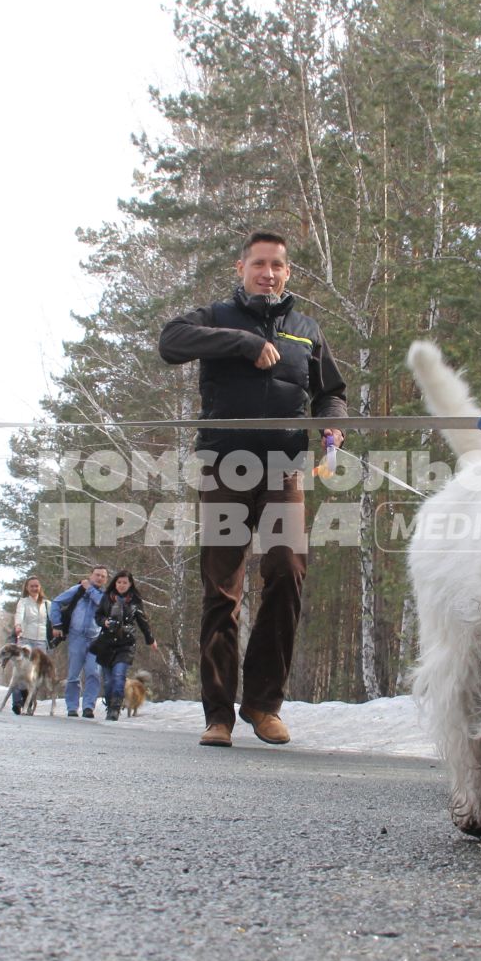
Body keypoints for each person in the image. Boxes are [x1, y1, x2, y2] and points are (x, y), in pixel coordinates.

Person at [158, 231, 346, 748]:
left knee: (287, 572)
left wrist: (332, 424)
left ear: (288, 273)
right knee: (222, 589)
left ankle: (264, 705)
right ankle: (218, 716)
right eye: (258, 264)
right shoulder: (215, 315)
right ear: (242, 268)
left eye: (277, 266)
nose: (268, 273)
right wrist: (242, 343)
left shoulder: (307, 330)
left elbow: (332, 394)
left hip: (284, 468)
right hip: (225, 466)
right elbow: (170, 342)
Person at [91, 569, 157, 721]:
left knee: (119, 676)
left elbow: (143, 621)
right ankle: (110, 704)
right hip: (106, 643)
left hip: (125, 643)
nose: (121, 585)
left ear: (130, 584)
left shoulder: (135, 601)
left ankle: (115, 709)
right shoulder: (107, 597)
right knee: (108, 681)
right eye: (119, 582)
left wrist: (150, 639)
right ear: (115, 583)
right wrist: (105, 622)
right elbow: (98, 616)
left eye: (124, 583)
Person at [48, 565, 108, 718]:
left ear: (106, 580)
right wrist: (56, 624)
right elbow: (56, 602)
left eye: (103, 576)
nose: (99, 578)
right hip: (77, 637)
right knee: (74, 675)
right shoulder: (77, 590)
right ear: (90, 575)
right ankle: (72, 707)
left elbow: (103, 604)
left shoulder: (106, 595)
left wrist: (90, 589)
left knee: (93, 673)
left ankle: (88, 707)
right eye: (97, 575)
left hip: (96, 639)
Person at [8, 575, 49, 715]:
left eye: (36, 585)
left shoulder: (47, 604)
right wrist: (18, 626)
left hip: (41, 641)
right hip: (25, 639)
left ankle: (30, 701)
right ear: (27, 587)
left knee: (35, 674)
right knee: (21, 671)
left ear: (40, 587)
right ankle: (17, 702)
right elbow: (19, 615)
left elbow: (52, 619)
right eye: (31, 586)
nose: (34, 588)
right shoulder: (23, 602)